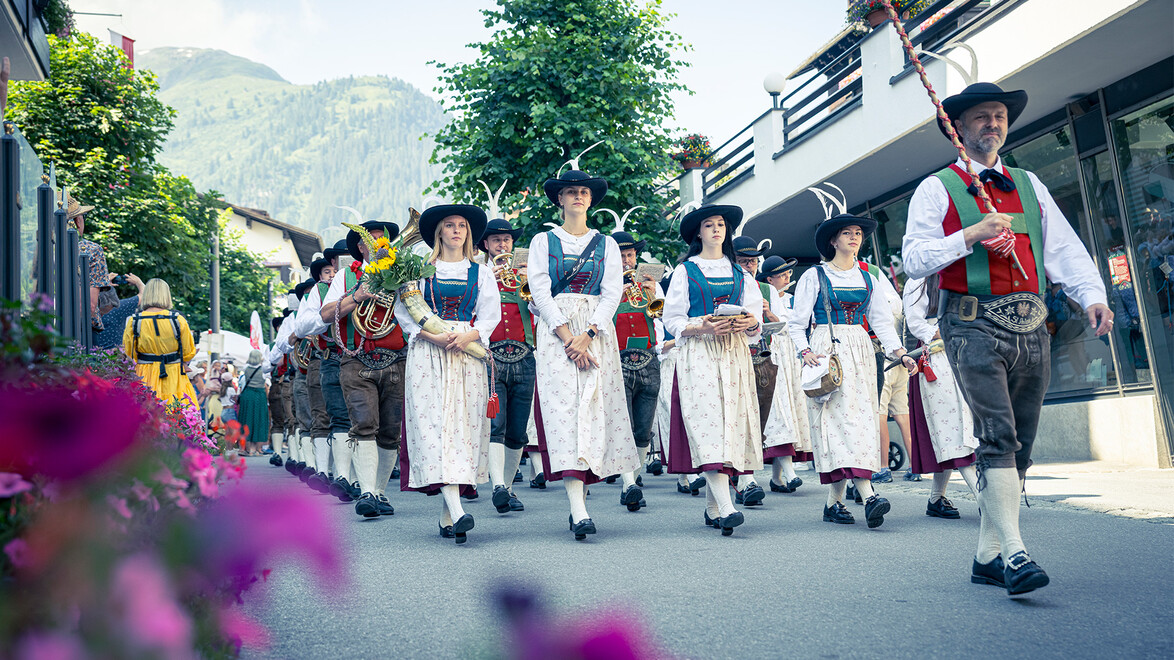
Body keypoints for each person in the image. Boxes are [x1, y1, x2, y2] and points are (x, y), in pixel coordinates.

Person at [902, 82, 1111, 594]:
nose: (992, 124)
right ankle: (1017, 555)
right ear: (957, 127)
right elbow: (913, 260)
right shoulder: (937, 188)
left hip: (1032, 324)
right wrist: (969, 235)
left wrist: (1092, 296)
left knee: (1021, 442)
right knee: (998, 433)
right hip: (970, 323)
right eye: (980, 116)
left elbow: (1064, 250)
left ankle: (987, 556)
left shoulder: (1029, 183)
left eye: (999, 116)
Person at [526, 159, 641, 541]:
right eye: (571, 191)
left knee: (593, 410)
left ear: (590, 200)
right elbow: (540, 290)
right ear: (560, 198)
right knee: (564, 414)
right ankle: (577, 507)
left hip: (595, 329)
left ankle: (584, 489)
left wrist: (588, 333)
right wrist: (565, 336)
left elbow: (613, 293)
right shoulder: (543, 241)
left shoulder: (607, 243)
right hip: (556, 330)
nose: (578, 197)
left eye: (584, 192)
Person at [789, 191, 915, 530]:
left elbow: (882, 325)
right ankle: (869, 494)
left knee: (858, 422)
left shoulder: (868, 278)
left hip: (860, 350)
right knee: (838, 423)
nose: (855, 237)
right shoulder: (814, 277)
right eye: (847, 232)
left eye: (858, 233)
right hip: (825, 351)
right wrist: (805, 353)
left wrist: (900, 353)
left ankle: (834, 503)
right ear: (833, 240)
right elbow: (797, 324)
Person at [395, 204, 499, 543]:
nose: (456, 230)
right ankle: (457, 511)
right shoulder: (419, 270)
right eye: (449, 225)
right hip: (428, 352)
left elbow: (490, 315)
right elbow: (405, 313)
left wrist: (467, 336)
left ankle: (447, 515)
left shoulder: (481, 272)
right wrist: (433, 335)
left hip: (467, 353)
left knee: (462, 429)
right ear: (438, 232)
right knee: (435, 428)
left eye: (462, 226)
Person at [663, 204, 764, 536]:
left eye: (721, 224)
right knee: (708, 424)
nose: (717, 229)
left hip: (734, 354)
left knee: (729, 426)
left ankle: (712, 506)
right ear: (699, 233)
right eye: (709, 225)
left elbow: (755, 322)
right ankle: (727, 505)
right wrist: (701, 327)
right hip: (699, 354)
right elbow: (672, 320)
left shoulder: (741, 274)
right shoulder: (685, 271)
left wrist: (750, 322)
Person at [320, 219, 404, 519]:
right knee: (364, 424)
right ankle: (367, 491)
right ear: (360, 246)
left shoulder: (402, 273)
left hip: (397, 359)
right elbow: (325, 315)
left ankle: (380, 492)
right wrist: (357, 297)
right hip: (356, 359)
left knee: (391, 432)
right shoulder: (346, 275)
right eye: (373, 240)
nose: (380, 245)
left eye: (384, 240)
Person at [902, 275, 980, 516]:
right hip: (936, 358)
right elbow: (915, 323)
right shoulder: (917, 280)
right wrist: (943, 332)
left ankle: (936, 498)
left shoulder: (960, 270)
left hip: (965, 351)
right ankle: (986, 499)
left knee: (961, 425)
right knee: (954, 428)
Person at [480, 214, 536, 514]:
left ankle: (509, 488)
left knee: (517, 430)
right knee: (495, 426)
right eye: (497, 239)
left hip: (525, 355)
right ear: (486, 244)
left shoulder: (526, 274)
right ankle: (498, 485)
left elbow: (541, 309)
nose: (503, 243)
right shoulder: (479, 273)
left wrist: (531, 282)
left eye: (507, 239)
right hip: (492, 356)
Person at [610, 227, 661, 511]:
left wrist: (654, 293)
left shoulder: (649, 284)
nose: (627, 261)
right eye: (621, 256)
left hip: (648, 358)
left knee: (643, 429)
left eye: (630, 255)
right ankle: (628, 482)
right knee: (623, 425)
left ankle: (635, 477)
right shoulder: (605, 287)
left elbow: (664, 316)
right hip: (617, 358)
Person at [730, 234, 777, 506]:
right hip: (732, 355)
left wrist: (766, 314)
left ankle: (745, 475)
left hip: (762, 359)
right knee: (735, 418)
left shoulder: (763, 288)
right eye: (744, 261)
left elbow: (783, 324)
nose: (749, 266)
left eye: (753, 261)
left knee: (757, 421)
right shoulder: (730, 283)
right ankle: (741, 479)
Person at [759, 255, 811, 493]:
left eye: (788, 273)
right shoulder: (762, 293)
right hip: (768, 354)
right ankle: (788, 475)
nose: (788, 277)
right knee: (777, 411)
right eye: (782, 274)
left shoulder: (792, 298)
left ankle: (777, 478)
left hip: (790, 356)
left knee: (788, 410)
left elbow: (795, 327)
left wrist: (773, 315)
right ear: (770, 279)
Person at [122, 278, 200, 408]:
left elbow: (129, 353)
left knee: (146, 416)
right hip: (173, 376)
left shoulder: (134, 321)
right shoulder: (178, 320)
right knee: (177, 415)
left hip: (144, 375)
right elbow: (187, 353)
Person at [66, 192, 111, 332]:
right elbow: (90, 306)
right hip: (81, 330)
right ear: (78, 222)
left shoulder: (40, 248)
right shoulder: (91, 250)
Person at [93, 272, 145, 349]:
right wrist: (138, 282)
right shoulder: (119, 308)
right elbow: (144, 295)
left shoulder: (87, 307)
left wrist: (102, 283)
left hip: (90, 357)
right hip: (113, 357)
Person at [237, 349, 270, 456]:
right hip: (259, 395)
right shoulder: (264, 369)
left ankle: (247, 448)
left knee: (247, 420)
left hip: (248, 395)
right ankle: (255, 449)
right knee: (259, 420)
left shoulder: (245, 368)